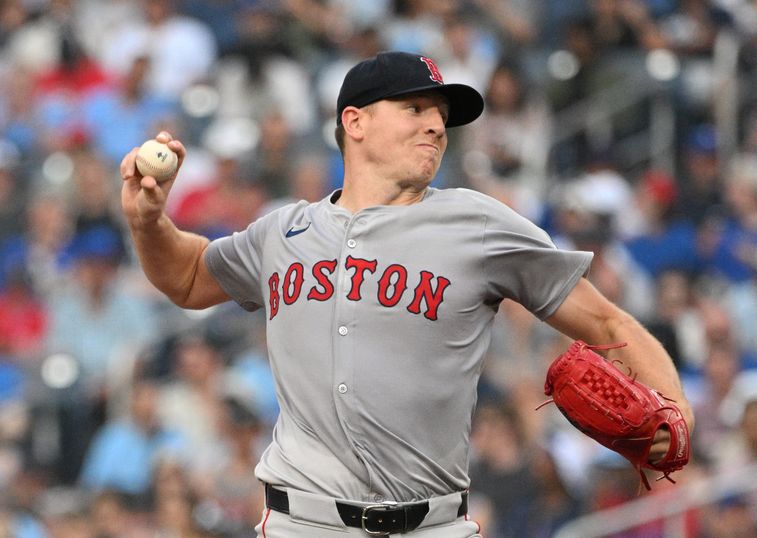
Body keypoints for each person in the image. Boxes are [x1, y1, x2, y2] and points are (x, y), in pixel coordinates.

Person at [119, 51, 694, 537]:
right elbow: (190, 277)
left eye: (441, 115)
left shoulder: (478, 225)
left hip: (433, 526)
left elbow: (609, 324)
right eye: (415, 109)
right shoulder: (284, 232)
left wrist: (677, 410)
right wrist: (149, 222)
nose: (436, 126)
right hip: (304, 523)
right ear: (355, 122)